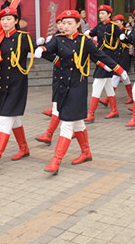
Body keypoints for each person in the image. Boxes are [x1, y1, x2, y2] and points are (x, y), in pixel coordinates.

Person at [34, 10, 128, 175]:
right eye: (64, 23)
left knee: (67, 124)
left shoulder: (84, 41)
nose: (66, 26)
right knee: (78, 123)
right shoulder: (58, 39)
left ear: (78, 24)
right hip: (63, 86)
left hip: (78, 86)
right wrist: (41, 48)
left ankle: (56, 161)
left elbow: (99, 55)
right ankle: (86, 153)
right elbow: (49, 48)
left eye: (70, 23)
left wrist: (118, 69)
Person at [0, 6, 36, 170]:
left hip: (17, 85)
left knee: (5, 119)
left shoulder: (23, 38)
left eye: (9, 19)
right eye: (3, 20)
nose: (5, 22)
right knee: (14, 118)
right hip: (2, 85)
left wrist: (54, 55)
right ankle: (24, 148)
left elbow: (39, 51)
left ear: (16, 21)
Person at [85, 5, 122, 122]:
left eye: (103, 13)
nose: (100, 15)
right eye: (99, 13)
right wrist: (86, 33)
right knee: (108, 85)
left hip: (109, 58)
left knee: (97, 84)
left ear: (109, 14)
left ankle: (91, 113)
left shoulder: (113, 26)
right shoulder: (100, 26)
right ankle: (114, 110)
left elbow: (123, 39)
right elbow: (91, 33)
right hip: (100, 57)